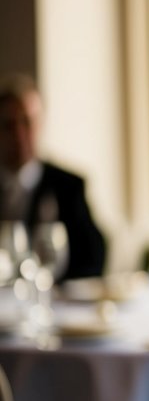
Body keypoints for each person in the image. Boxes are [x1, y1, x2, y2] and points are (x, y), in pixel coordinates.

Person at [0, 73, 108, 280]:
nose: (18, 135)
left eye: (26, 122)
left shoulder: (68, 186)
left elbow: (94, 258)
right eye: (9, 125)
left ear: (40, 124)